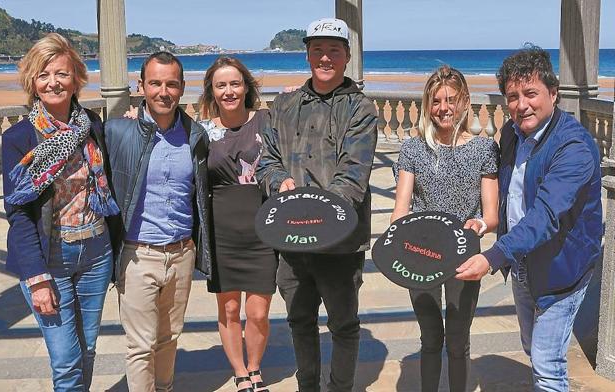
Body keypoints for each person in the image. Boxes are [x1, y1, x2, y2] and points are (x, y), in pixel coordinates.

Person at [455, 45, 602, 391]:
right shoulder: (510, 134)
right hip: (521, 263)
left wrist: (491, 257)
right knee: (532, 349)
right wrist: (483, 220)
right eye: (513, 96)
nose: (522, 105)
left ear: (553, 93)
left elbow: (546, 216)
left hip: (562, 268)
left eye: (531, 93)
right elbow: (497, 184)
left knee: (548, 366)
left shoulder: (574, 147)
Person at [257, 17, 378, 392]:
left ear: (346, 57)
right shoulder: (284, 103)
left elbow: (352, 177)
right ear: (308, 53)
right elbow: (267, 161)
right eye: (318, 50)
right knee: (300, 321)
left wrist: (313, 212)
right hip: (291, 243)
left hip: (340, 245)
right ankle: (307, 385)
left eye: (334, 50)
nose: (325, 57)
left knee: (343, 325)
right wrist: (280, 182)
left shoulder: (361, 108)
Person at [2, 33, 121, 391]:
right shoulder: (20, 138)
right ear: (32, 83)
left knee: (87, 351)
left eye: (61, 74)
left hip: (97, 253)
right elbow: (19, 212)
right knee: (66, 360)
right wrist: (36, 277)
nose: (53, 82)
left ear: (76, 80)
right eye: (43, 75)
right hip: (49, 257)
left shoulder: (92, 127)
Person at [104, 51, 212, 392]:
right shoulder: (117, 132)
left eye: (171, 84)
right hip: (138, 255)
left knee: (169, 338)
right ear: (141, 86)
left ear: (182, 88)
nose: (163, 91)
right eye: (155, 83)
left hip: (181, 254)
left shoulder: (196, 136)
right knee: (140, 345)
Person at [391, 65, 499, 392]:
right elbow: (401, 209)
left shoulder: (483, 149)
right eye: (436, 101)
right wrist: (395, 244)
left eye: (451, 100)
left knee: (457, 339)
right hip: (421, 255)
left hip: (464, 255)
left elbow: (491, 214)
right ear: (427, 105)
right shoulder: (413, 149)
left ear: (464, 101)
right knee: (430, 338)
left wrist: (480, 223)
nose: (444, 108)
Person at [198, 56, 277, 392]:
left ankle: (256, 364)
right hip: (221, 230)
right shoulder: (202, 131)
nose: (229, 91)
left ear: (246, 86)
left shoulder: (268, 120)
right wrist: (135, 118)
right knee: (229, 308)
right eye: (221, 85)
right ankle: (241, 371)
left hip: (262, 227)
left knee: (257, 312)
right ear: (212, 92)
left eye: (235, 83)